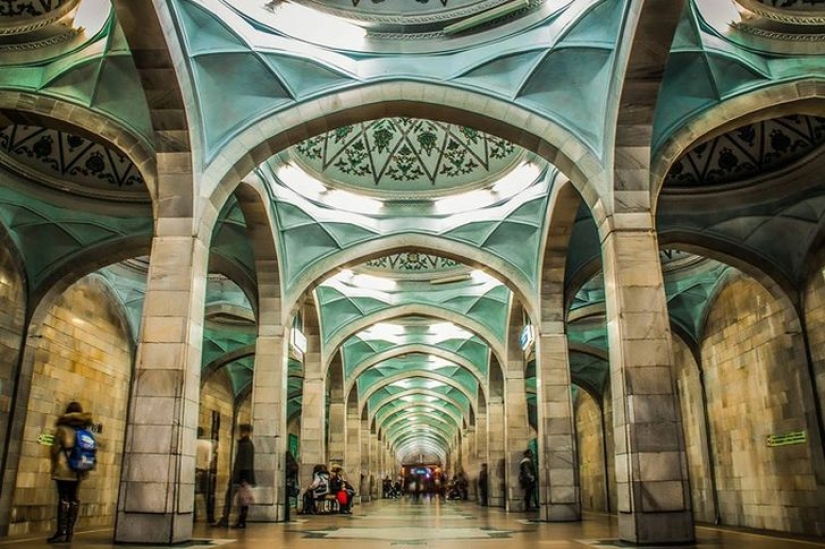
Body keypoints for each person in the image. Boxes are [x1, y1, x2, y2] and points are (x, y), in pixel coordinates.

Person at [48, 401, 94, 543]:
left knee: (63, 498)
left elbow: (54, 449)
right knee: (74, 498)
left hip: (64, 468)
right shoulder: (84, 429)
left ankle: (60, 532)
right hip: (79, 468)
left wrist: (54, 463)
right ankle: (70, 532)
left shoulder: (62, 428)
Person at [231, 424, 255, 528]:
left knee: (243, 500)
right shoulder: (246, 443)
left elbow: (245, 462)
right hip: (242, 476)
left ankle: (241, 521)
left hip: (242, 476)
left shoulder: (246, 444)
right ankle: (240, 521)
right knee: (242, 499)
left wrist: (243, 478)